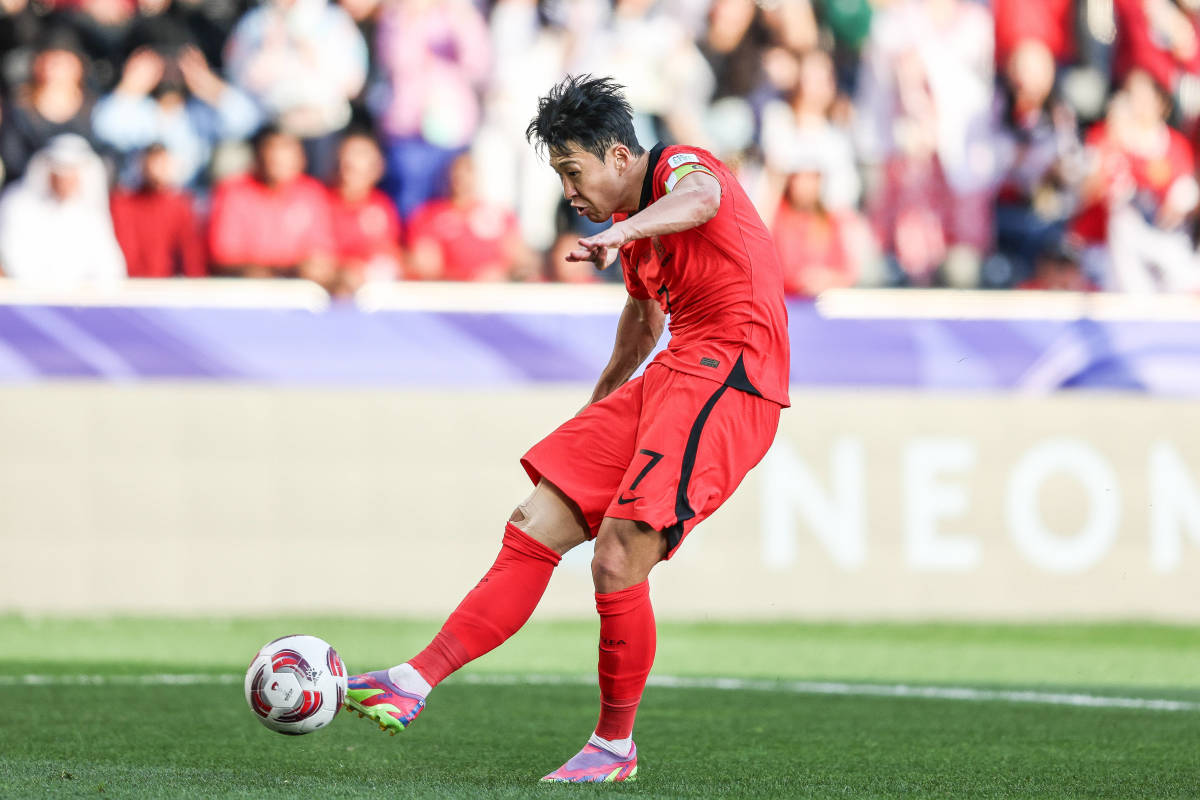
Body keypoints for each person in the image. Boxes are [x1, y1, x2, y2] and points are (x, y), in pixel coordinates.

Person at [343, 75, 790, 783]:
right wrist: (599, 410)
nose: (569, 191)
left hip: (731, 374)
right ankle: (412, 680)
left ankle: (614, 748)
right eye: (559, 175)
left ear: (619, 156)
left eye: (572, 171)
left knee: (618, 556)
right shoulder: (641, 240)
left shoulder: (679, 168)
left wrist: (621, 230)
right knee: (535, 520)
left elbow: (703, 199)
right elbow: (642, 327)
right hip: (672, 374)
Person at [207, 125, 335, 281]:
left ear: (301, 158)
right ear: (258, 156)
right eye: (272, 150)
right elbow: (224, 257)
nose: (278, 158)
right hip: (248, 292)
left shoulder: (312, 193)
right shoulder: (233, 194)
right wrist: (280, 272)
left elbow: (322, 252)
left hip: (301, 290)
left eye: (286, 149)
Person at [0, 133, 125, 285]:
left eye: (71, 173)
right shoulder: (18, 205)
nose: (65, 181)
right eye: (60, 173)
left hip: (83, 302)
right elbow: (15, 260)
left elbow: (110, 265)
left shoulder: (91, 213)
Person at [110, 142, 205, 277]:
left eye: (162, 163)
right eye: (153, 163)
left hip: (166, 287)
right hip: (131, 286)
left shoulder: (180, 205)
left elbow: (191, 254)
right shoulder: (123, 204)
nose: (157, 169)